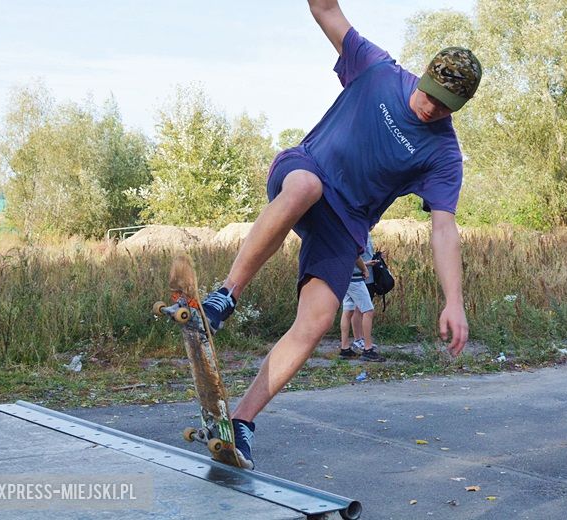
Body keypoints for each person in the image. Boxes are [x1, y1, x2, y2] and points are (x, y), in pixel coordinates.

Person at [199, 0, 480, 469]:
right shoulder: (377, 68)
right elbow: (325, 9)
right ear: (425, 76)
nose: (431, 108)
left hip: (347, 222)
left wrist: (454, 300)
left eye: (445, 106)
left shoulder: (444, 154)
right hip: (306, 169)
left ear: (459, 107)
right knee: (305, 188)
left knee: (318, 319)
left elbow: (444, 228)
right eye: (430, 95)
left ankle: (240, 423)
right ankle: (225, 296)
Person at [339, 232, 385, 361]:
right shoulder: (354, 233)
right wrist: (364, 268)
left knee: (348, 311)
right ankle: (367, 349)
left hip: (345, 277)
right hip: (355, 279)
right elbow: (355, 255)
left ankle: (345, 348)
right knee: (368, 311)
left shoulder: (342, 233)